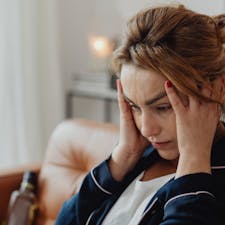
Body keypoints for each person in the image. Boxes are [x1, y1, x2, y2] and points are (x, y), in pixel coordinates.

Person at [55, 4, 225, 225]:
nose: (146, 129)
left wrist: (193, 160)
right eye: (134, 106)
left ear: (218, 88)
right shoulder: (139, 159)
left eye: (163, 107)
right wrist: (121, 158)